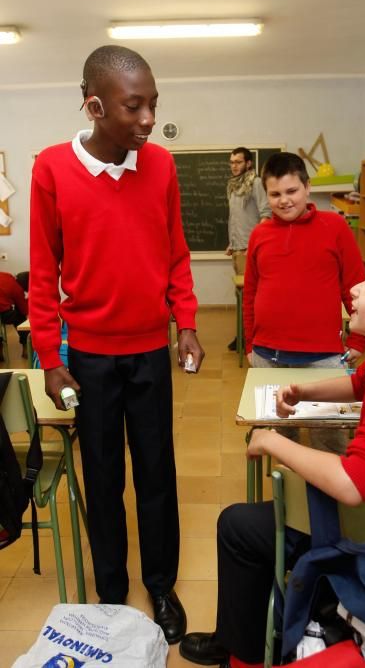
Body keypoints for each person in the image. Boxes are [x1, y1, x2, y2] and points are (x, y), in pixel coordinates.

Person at [179, 243, 365, 667]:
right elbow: (359, 384)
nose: (353, 289)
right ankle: (249, 632)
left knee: (239, 527)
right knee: (254, 522)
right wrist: (304, 391)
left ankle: (243, 651)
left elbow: (352, 483)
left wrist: (273, 440)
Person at [29, 45, 204, 644]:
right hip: (90, 359)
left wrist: (187, 324)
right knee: (102, 477)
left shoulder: (160, 167)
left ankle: (160, 583)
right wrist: (51, 361)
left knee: (157, 471)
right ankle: (110, 590)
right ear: (95, 105)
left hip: (150, 350)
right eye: (135, 107)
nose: (149, 119)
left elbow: (176, 252)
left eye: (154, 103)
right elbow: (43, 268)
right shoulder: (51, 168)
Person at [244, 152, 365, 371]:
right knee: (267, 406)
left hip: (323, 355)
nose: (284, 200)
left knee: (326, 406)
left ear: (307, 187)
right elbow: (250, 293)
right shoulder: (259, 234)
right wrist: (249, 344)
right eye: (275, 194)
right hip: (266, 353)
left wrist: (358, 339)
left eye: (292, 191)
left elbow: (356, 287)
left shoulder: (335, 226)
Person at [226, 146, 270, 351]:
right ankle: (244, 335)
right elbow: (238, 219)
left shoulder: (256, 183)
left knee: (251, 298)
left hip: (250, 251)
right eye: (232, 162)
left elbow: (265, 214)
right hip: (238, 249)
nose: (234, 166)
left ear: (248, 163)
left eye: (238, 162)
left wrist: (253, 245)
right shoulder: (234, 186)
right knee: (242, 297)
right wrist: (232, 243)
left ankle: (251, 338)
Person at [0, 270, 29, 360]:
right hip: (2, 314)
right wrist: (29, 300)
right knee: (20, 316)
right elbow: (24, 310)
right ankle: (26, 348)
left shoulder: (6, 275)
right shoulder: (17, 289)